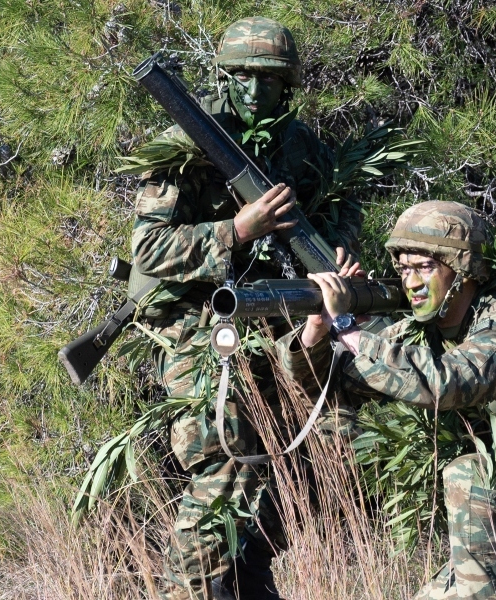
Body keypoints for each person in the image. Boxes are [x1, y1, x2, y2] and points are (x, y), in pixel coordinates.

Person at [276, 201, 496, 599]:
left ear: (463, 271)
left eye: (425, 267)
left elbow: (447, 382)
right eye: (404, 269)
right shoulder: (418, 333)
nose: (410, 283)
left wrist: (349, 329)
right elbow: (331, 390)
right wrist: (317, 331)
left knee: (471, 476)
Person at [129, 16, 361, 600]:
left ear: (290, 86)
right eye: (244, 76)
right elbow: (148, 248)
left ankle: (251, 583)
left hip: (283, 327)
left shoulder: (303, 148)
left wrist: (336, 245)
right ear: (224, 77)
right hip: (201, 331)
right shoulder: (190, 146)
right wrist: (236, 229)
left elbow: (339, 212)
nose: (256, 90)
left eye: (270, 79)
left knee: (298, 469)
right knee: (223, 469)